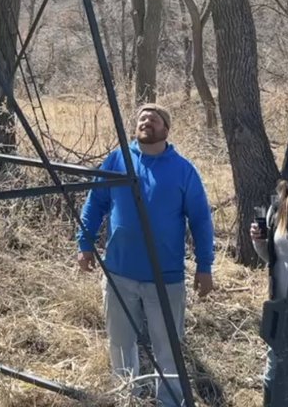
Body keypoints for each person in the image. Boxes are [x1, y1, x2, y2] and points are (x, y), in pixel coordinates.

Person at [78, 104, 214, 406]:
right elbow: (95, 203)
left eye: (154, 119)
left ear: (166, 129)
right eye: (142, 118)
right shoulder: (118, 159)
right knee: (121, 344)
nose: (146, 122)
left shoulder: (183, 170)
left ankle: (169, 401)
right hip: (119, 273)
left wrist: (205, 266)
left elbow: (201, 220)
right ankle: (128, 397)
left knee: (168, 348)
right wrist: (84, 244)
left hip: (165, 279)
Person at [251, 179, 288, 406]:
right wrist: (259, 242)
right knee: (275, 368)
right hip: (282, 304)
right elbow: (275, 257)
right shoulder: (279, 206)